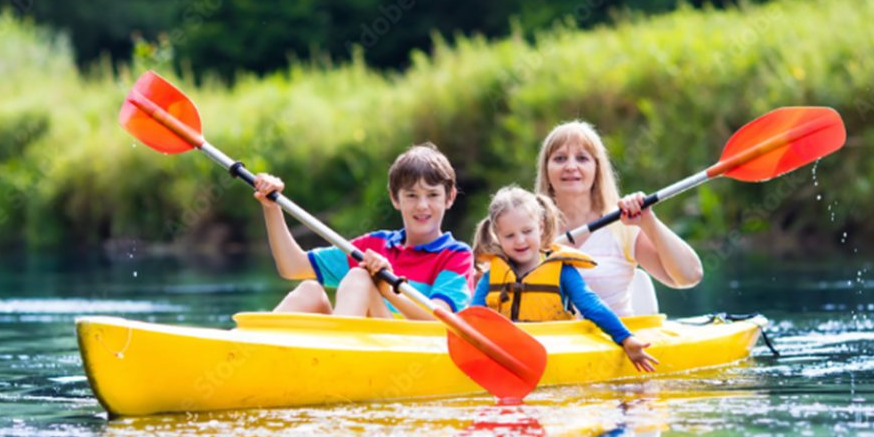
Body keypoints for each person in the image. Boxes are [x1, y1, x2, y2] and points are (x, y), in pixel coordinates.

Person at [252, 143, 473, 319]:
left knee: (360, 277)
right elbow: (293, 266)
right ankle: (249, 350)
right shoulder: (374, 246)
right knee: (310, 290)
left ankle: (335, 359)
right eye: (411, 195)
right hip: (360, 345)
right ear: (395, 199)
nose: (422, 205)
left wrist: (387, 288)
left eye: (433, 195)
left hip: (403, 353)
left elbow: (439, 319)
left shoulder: (456, 255)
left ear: (450, 197)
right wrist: (271, 207)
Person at [470, 186, 657, 372]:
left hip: (556, 354)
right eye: (509, 235)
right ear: (497, 236)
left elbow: (592, 306)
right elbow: (472, 318)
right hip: (508, 356)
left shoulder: (562, 271)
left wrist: (625, 338)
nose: (520, 241)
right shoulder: (491, 277)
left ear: (540, 226)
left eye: (527, 231)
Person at [535, 120, 703, 317]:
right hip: (551, 342)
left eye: (582, 158)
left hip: (617, 342)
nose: (571, 166)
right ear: (546, 168)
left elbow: (689, 276)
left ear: (597, 169)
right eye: (560, 158)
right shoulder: (526, 229)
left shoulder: (622, 226)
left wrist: (648, 222)